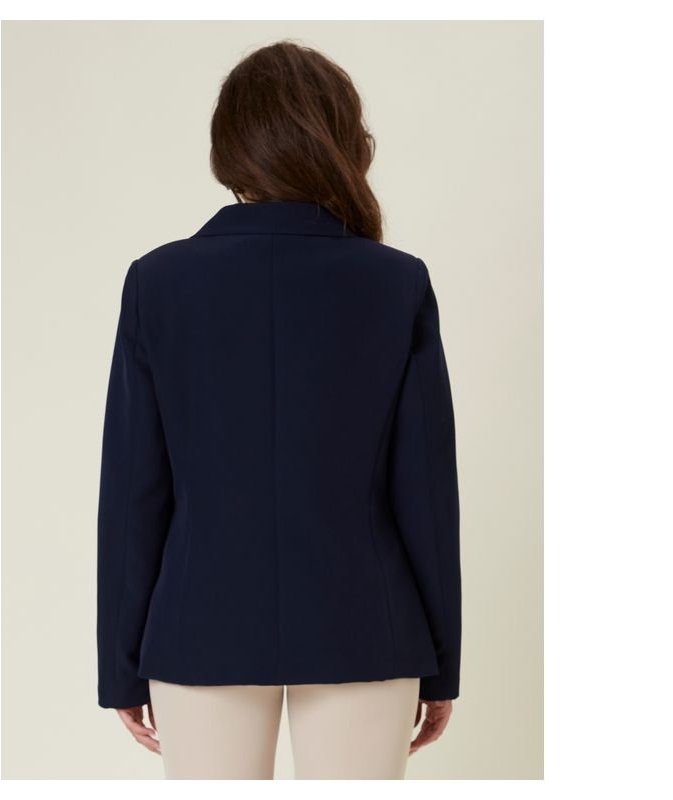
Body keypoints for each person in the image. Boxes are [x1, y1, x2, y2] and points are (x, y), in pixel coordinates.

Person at [96, 39, 462, 780]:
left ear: (229, 145)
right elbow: (425, 490)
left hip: (199, 626)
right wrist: (442, 662)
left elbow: (135, 491)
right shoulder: (395, 284)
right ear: (342, 138)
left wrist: (121, 666)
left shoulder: (158, 283)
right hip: (366, 624)